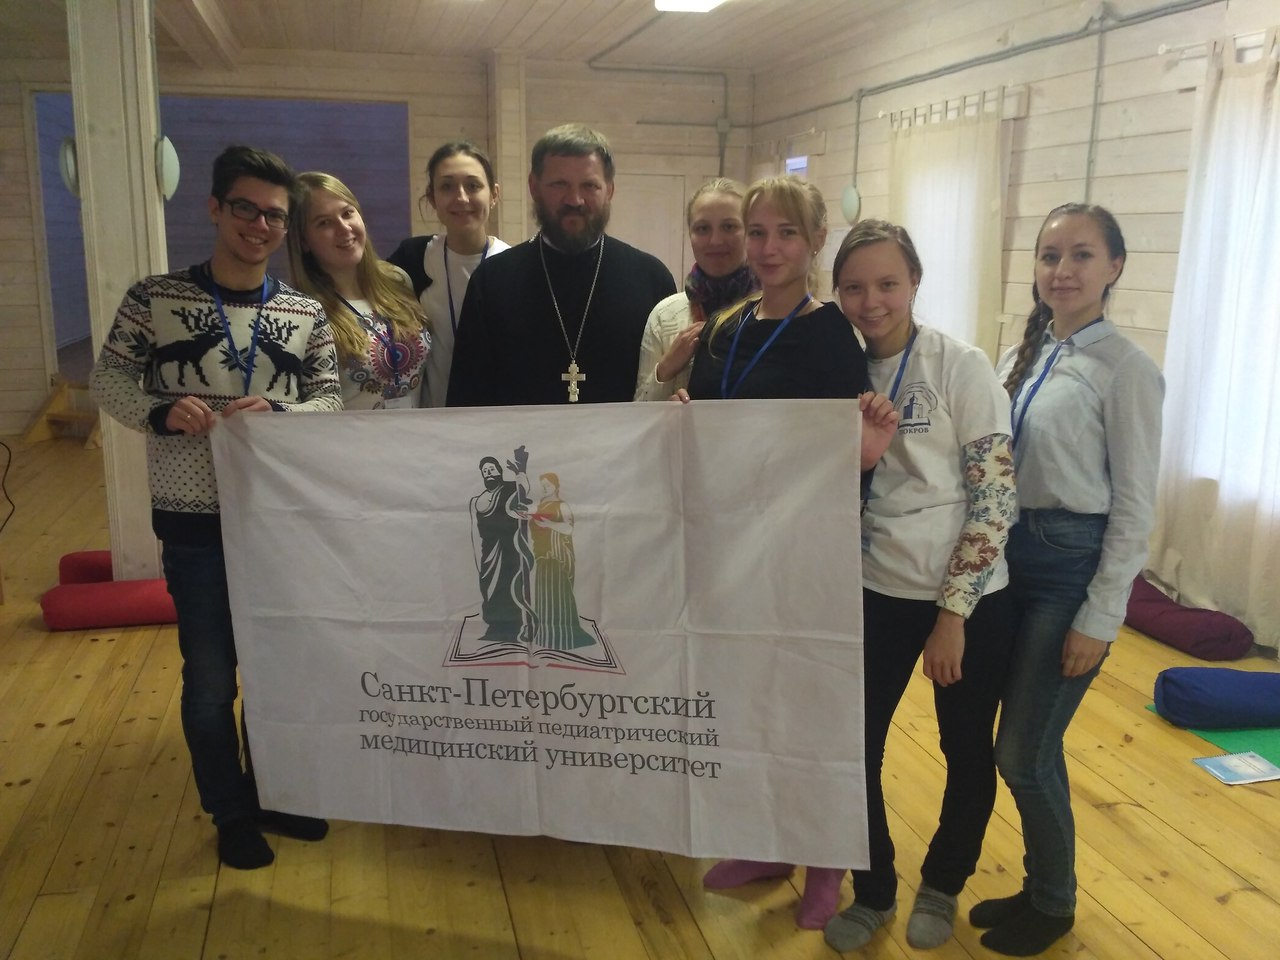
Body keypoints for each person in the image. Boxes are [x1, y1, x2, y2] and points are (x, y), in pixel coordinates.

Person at [90, 145, 342, 870]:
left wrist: (283, 414)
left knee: (276, 671)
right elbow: (108, 381)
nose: (259, 226)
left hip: (277, 521)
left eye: (274, 216)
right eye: (245, 209)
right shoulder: (154, 298)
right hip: (193, 521)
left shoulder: (303, 312)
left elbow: (329, 398)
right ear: (214, 208)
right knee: (209, 678)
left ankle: (274, 790)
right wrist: (160, 412)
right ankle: (229, 812)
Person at [674, 176, 898, 930]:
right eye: (757, 232)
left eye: (786, 234)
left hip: (800, 549)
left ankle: (824, 859)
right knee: (744, 703)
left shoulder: (830, 334)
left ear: (815, 242)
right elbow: (712, 428)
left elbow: (842, 451)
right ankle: (766, 844)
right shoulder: (724, 326)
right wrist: (685, 418)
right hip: (726, 547)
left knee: (806, 708)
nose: (768, 249)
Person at [970, 204, 1163, 956]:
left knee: (1024, 751)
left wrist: (1100, 617)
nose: (1063, 270)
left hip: (1068, 571)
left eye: (1082, 255)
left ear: (1115, 266)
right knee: (1022, 746)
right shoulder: (1027, 353)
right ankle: (1036, 887)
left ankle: (1054, 905)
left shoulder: (1128, 370)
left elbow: (1136, 507)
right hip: (1009, 560)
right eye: (1050, 255)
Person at [819, 221, 1017, 953]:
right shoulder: (835, 367)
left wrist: (952, 615)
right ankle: (873, 891)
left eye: (887, 284)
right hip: (875, 586)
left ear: (914, 283)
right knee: (852, 747)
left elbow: (995, 500)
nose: (871, 301)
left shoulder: (961, 366)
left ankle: (942, 883)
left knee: (965, 748)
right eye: (854, 287)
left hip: (966, 597)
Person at [446, 124, 676, 406]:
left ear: (610, 190)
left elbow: (669, 390)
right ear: (534, 187)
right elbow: (466, 404)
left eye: (589, 186)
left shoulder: (651, 279)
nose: (574, 200)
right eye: (559, 185)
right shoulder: (491, 282)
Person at [288, 172, 429, 408]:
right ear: (303, 241)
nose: (344, 228)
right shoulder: (303, 312)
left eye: (347, 213)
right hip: (348, 432)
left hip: (417, 430)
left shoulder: (398, 280)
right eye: (324, 223)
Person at [386, 142, 510, 406]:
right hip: (431, 422)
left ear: (494, 194)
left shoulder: (513, 266)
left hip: (496, 422)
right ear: (432, 198)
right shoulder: (412, 259)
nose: (461, 198)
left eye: (473, 186)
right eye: (447, 187)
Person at [633, 177, 757, 400]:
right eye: (702, 228)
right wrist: (666, 370)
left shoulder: (773, 310)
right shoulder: (665, 316)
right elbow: (640, 410)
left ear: (750, 231)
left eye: (729, 227)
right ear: (689, 234)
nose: (715, 241)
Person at [469, 450, 535, 645]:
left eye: (491, 469)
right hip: (488, 551)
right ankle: (494, 628)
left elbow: (523, 491)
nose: (488, 473)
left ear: (499, 471)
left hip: (508, 551)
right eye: (485, 471)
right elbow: (474, 530)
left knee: (508, 586)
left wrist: (520, 471)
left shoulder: (508, 488)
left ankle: (512, 628)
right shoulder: (477, 500)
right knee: (487, 588)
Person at [528, 473, 595, 650]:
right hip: (543, 555)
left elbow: (568, 529)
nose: (544, 488)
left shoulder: (562, 505)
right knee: (545, 596)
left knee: (558, 595)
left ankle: (564, 639)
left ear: (556, 486)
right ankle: (546, 636)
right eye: (542, 485)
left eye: (548, 485)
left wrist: (548, 524)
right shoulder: (540, 506)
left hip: (558, 555)